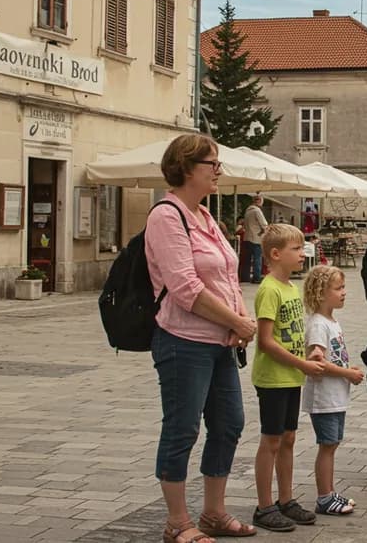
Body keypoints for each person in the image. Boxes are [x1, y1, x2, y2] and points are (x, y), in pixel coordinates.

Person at [145, 134, 258, 543]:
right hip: (183, 340)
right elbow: (185, 288)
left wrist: (240, 318)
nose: (219, 171)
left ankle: (213, 512)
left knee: (229, 423)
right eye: (213, 163)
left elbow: (227, 275)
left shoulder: (206, 217)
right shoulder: (166, 216)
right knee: (182, 427)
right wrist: (238, 322)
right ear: (187, 167)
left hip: (220, 342)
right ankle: (177, 521)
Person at [250, 224, 326, 533]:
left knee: (289, 438)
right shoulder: (269, 289)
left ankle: (285, 499)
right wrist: (301, 364)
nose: (303, 253)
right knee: (271, 440)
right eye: (296, 249)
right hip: (273, 377)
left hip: (292, 375)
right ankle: (264, 505)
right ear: (275, 254)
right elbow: (266, 341)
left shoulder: (291, 288)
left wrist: (311, 355)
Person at [301, 265, 364, 515]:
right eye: (338, 289)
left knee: (332, 443)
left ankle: (329, 490)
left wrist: (347, 369)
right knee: (327, 444)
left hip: (335, 396)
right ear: (320, 293)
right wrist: (347, 373)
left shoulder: (331, 321)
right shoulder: (318, 325)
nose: (344, 293)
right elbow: (318, 364)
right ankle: (324, 497)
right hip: (324, 398)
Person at [241, 195, 269, 283]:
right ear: (259, 201)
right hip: (256, 237)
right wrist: (265, 231)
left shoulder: (247, 211)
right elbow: (264, 224)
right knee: (257, 258)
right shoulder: (257, 211)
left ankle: (245, 277)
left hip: (247, 237)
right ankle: (256, 277)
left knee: (247, 259)